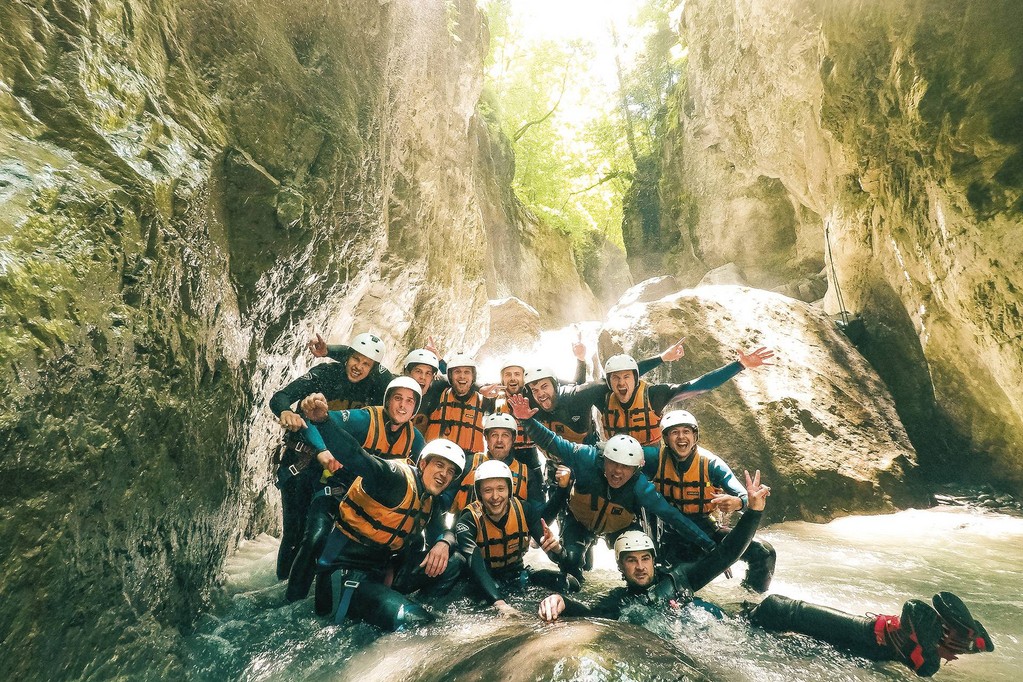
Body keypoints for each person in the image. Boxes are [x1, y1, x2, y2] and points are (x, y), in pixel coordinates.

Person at [508, 394, 716, 587]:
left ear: (636, 469)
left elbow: (673, 517)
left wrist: (710, 547)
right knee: (572, 564)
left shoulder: (640, 487)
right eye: (613, 464)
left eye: (626, 467)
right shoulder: (586, 457)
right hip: (579, 521)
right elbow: (553, 442)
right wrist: (526, 421)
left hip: (619, 528)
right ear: (603, 460)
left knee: (640, 567)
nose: (617, 472)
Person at [537, 469, 770, 622]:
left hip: (725, 628)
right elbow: (589, 612)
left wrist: (753, 512)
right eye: (631, 560)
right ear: (620, 566)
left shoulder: (679, 578)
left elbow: (726, 554)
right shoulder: (618, 602)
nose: (640, 566)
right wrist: (561, 601)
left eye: (645, 558)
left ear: (653, 559)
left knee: (774, 608)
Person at [283, 377, 426, 602]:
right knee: (315, 539)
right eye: (397, 398)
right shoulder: (365, 420)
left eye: (409, 401)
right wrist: (322, 450)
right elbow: (313, 421)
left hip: (370, 506)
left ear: (415, 408)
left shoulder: (415, 439)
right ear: (388, 401)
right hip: (336, 492)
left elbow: (424, 477)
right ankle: (292, 600)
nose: (402, 406)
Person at [308, 431, 466, 630]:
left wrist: (443, 543)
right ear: (423, 464)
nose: (444, 474)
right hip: (345, 576)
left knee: (454, 563)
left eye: (451, 471)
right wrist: (324, 423)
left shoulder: (429, 500)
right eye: (440, 465)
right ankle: (407, 612)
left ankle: (417, 606)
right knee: (417, 622)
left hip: (380, 573)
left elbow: (446, 532)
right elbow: (355, 456)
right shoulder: (394, 477)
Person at [268, 331, 389, 580]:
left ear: (373, 368)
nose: (358, 367)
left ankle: (309, 587)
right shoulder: (325, 375)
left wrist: (331, 349)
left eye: (366, 364)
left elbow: (406, 386)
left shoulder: (376, 386)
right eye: (355, 359)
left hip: (342, 470)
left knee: (325, 532)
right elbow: (280, 396)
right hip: (304, 463)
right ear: (347, 358)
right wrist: (285, 412)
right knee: (295, 531)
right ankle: (282, 587)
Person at [646, 409, 776, 592]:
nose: (681, 437)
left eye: (686, 432)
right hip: (671, 535)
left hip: (706, 528)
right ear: (666, 439)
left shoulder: (711, 464)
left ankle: (752, 595)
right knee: (672, 585)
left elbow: (743, 495)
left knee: (764, 552)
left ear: (695, 436)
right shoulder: (655, 459)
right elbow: (627, 456)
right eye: (675, 432)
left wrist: (739, 503)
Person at [747, 591, 994, 678]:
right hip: (871, 641)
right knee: (781, 611)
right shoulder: (921, 653)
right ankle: (903, 638)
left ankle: (899, 639)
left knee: (775, 610)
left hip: (874, 643)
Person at [450, 460, 570, 615]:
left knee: (567, 583)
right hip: (484, 581)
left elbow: (560, 558)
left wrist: (558, 550)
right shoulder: (468, 519)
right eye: (488, 490)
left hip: (516, 575)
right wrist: (500, 604)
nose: (495, 497)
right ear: (479, 493)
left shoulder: (524, 510)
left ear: (509, 490)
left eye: (501, 489)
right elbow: (476, 566)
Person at [599, 346, 774, 445]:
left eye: (627, 377)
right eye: (616, 378)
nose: (621, 383)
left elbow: (699, 385)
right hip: (614, 459)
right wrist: (661, 358)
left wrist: (740, 364)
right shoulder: (601, 395)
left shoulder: (654, 395)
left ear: (636, 379)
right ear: (608, 381)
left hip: (649, 457)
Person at [448, 413, 543, 513]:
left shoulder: (527, 474)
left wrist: (561, 489)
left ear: (513, 439)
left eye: (505, 435)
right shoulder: (468, 463)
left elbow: (541, 515)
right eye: (494, 435)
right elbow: (444, 500)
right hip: (466, 526)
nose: (499, 440)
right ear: (486, 438)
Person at [424, 351, 495, 456]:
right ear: (451, 376)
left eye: (467, 372)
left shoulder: (484, 400)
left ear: (473, 377)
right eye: (457, 372)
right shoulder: (438, 392)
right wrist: (439, 360)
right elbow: (444, 379)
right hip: (436, 455)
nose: (462, 376)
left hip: (468, 460)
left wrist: (480, 388)